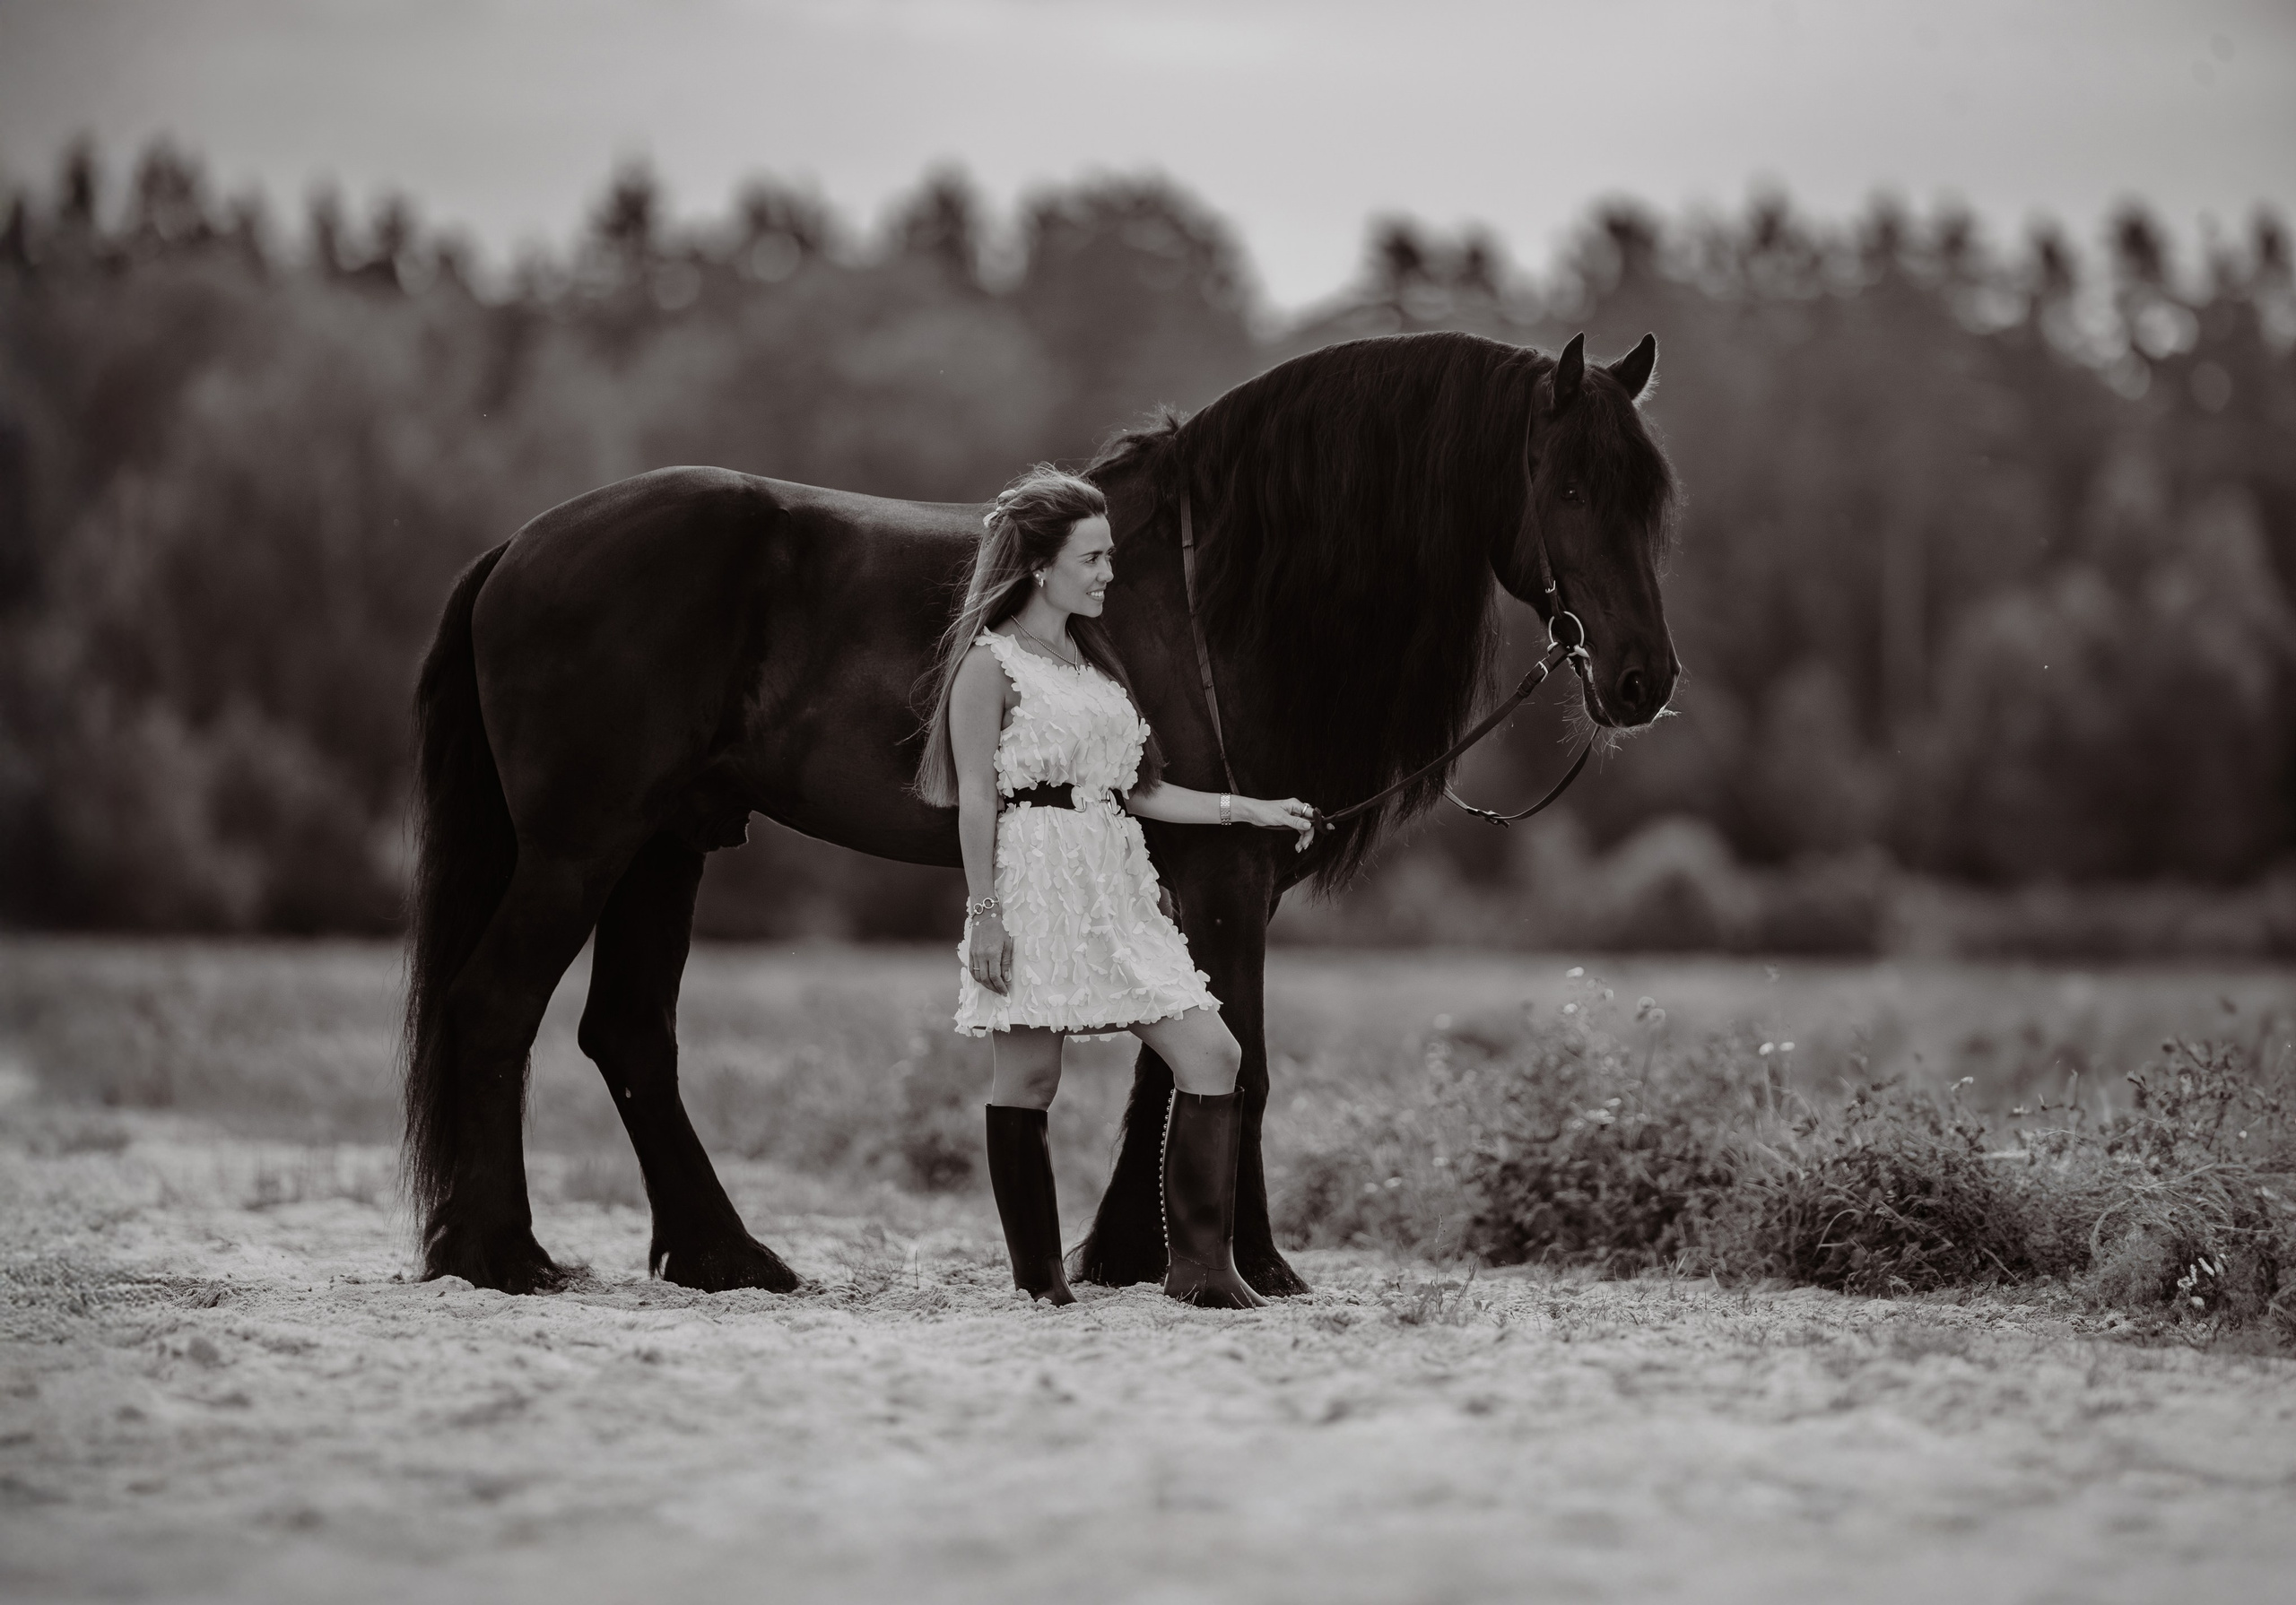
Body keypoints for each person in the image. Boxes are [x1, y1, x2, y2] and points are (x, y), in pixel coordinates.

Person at [915, 466, 1315, 1309]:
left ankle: (1201, 1268)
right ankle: (1041, 1284)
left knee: (1214, 1055)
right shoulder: (990, 666)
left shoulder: (1095, 661)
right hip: (1033, 877)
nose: (1106, 574)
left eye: (1107, 558)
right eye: (1091, 559)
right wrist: (984, 915)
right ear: (1038, 565)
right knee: (1029, 1083)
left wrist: (1254, 810)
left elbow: (1145, 790)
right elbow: (978, 798)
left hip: (1114, 879)